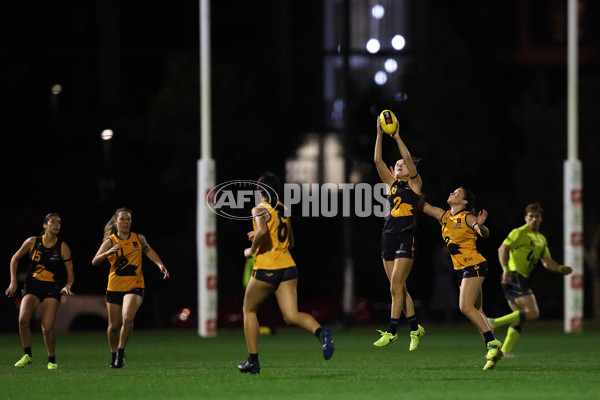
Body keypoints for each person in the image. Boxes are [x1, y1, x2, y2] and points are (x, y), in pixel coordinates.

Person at [238, 172, 334, 374]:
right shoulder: (283, 209)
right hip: (288, 266)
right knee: (291, 315)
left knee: (249, 310)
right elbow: (290, 242)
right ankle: (321, 333)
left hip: (268, 266)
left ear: (259, 190)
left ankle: (253, 361)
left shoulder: (258, 209)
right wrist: (259, 234)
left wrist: (251, 250)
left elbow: (264, 231)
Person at [421, 188, 503, 370]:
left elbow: (483, 232)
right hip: (463, 269)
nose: (452, 193)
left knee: (465, 307)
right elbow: (423, 206)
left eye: (457, 192)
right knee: (478, 310)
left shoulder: (467, 217)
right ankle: (493, 353)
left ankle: (492, 343)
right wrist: (408, 189)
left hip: (473, 265)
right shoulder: (444, 216)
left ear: (464, 202)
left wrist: (481, 226)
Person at [489, 203, 572, 356]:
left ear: (541, 218)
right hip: (514, 275)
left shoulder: (541, 239)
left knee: (521, 317)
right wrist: (506, 270)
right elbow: (502, 249)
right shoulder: (519, 232)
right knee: (533, 313)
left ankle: (504, 351)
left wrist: (560, 268)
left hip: (519, 278)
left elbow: (547, 261)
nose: (534, 219)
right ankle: (493, 322)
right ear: (526, 218)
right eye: (531, 216)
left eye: (537, 216)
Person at [92, 207, 170, 368]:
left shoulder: (138, 238)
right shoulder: (110, 241)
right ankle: (113, 353)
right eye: (122, 219)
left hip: (135, 285)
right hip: (114, 286)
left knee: (127, 318)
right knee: (113, 326)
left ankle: (120, 353)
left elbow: (149, 251)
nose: (125, 222)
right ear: (115, 222)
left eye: (128, 219)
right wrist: (107, 253)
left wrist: (160, 264)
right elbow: (95, 261)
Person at [372, 117, 425, 350]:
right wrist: (379, 134)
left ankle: (393, 330)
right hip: (388, 235)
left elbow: (409, 163)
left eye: (403, 164)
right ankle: (414, 328)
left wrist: (397, 136)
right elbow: (377, 160)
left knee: (396, 285)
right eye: (397, 164)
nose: (400, 165)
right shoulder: (391, 184)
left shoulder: (415, 184)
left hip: (405, 235)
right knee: (398, 287)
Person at [5, 213, 74, 370]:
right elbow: (14, 259)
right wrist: (13, 281)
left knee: (47, 327)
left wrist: (68, 285)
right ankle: (27, 355)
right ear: (45, 225)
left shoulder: (62, 247)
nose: (57, 225)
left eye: (59, 222)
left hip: (52, 288)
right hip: (33, 286)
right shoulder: (33, 241)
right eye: (53, 222)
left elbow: (70, 273)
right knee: (23, 319)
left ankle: (51, 359)